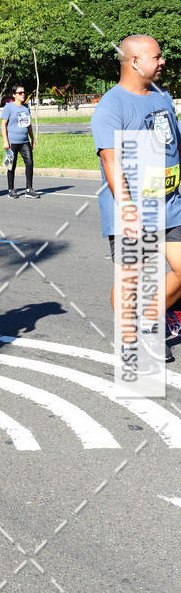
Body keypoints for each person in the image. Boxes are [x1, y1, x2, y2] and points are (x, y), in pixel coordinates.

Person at [91, 33, 181, 364]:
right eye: (156, 56)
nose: (162, 61)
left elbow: (175, 143)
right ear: (135, 61)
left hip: (170, 203)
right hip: (132, 207)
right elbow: (109, 160)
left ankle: (151, 321)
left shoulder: (162, 97)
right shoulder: (111, 105)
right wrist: (128, 209)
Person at [1, 85, 40, 199]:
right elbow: (3, 124)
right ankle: (11, 189)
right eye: (20, 93)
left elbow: (28, 124)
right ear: (14, 95)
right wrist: (5, 141)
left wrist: (32, 138)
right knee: (11, 166)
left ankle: (29, 189)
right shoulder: (8, 107)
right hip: (12, 142)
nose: (23, 94)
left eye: (23, 92)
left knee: (30, 162)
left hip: (24, 141)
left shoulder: (26, 107)